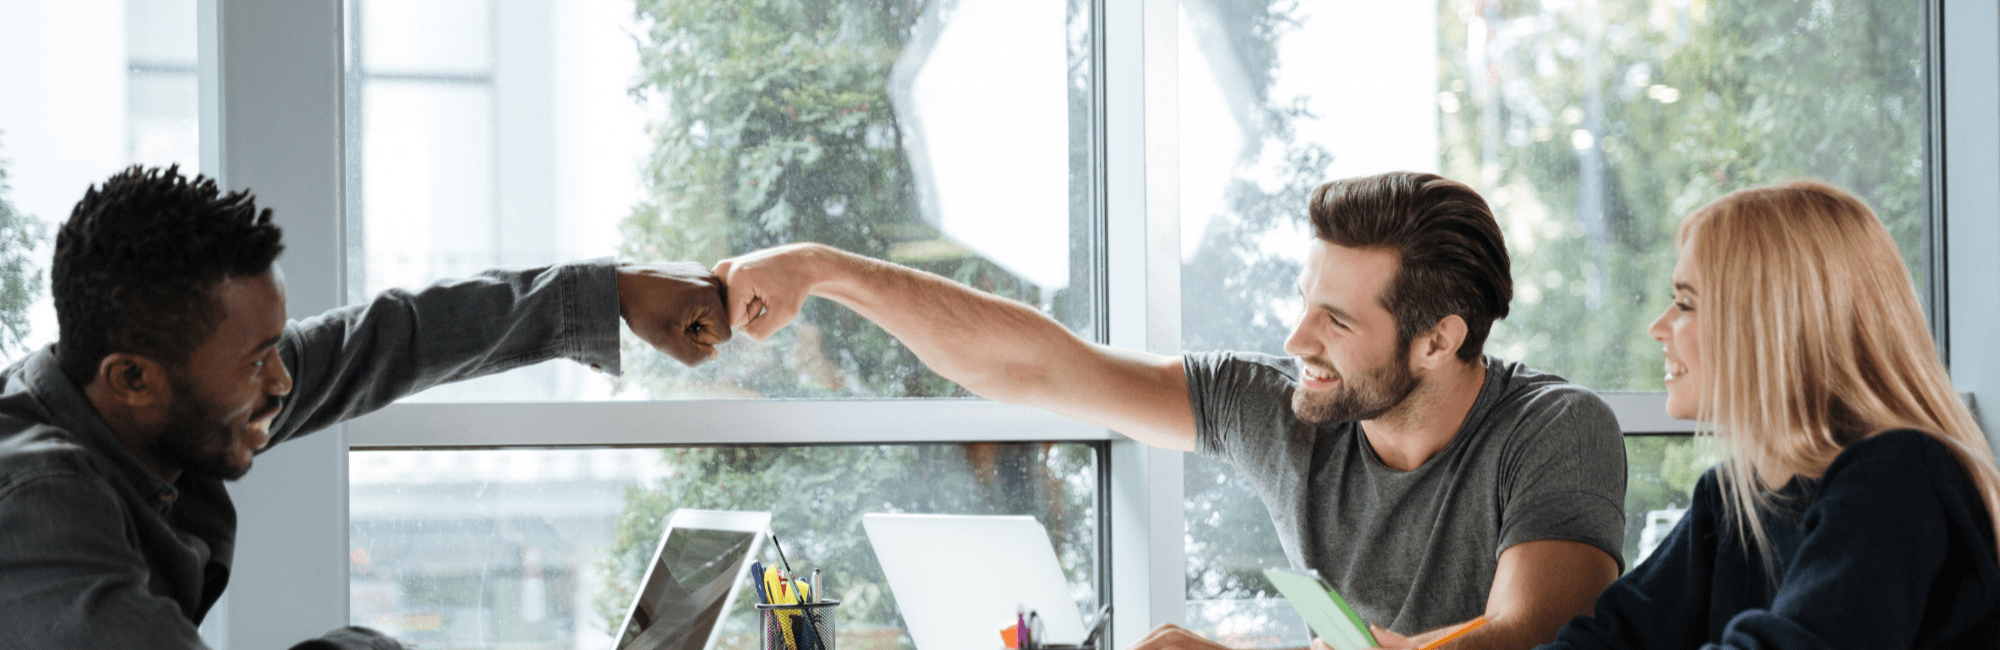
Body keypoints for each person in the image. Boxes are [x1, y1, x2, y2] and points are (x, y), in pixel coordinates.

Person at [714, 171, 1628, 649]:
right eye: (1304, 297)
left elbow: (1527, 639)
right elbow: (1037, 366)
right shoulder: (1287, 406)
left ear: (1438, 340)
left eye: (1337, 318)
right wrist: (823, 270)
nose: (1296, 337)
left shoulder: (1553, 431)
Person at [0, 166, 732, 649]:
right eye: (256, 361)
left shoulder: (152, 408)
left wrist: (614, 293)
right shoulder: (37, 502)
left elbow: (381, 341)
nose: (283, 383)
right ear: (131, 378)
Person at [1540, 182, 2000, 649]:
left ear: (1773, 324)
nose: (1657, 327)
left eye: (1686, 303)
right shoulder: (1728, 500)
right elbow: (1607, 640)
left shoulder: (1898, 478)